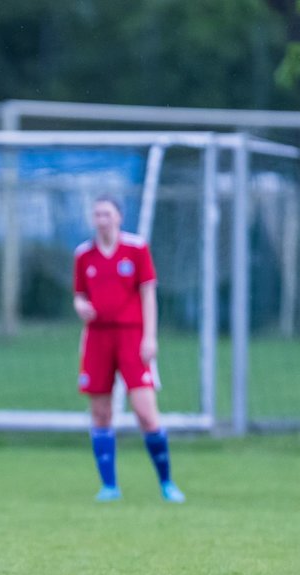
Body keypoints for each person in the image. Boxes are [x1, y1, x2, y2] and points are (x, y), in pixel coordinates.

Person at [72, 195, 185, 503]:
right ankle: (109, 486)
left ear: (119, 217)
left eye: (107, 213)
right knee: (100, 412)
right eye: (97, 214)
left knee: (146, 413)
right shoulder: (84, 255)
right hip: (97, 338)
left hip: (132, 337)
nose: (102, 219)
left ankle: (167, 483)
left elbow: (148, 294)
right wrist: (81, 306)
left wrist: (150, 337)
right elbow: (79, 294)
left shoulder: (136, 249)